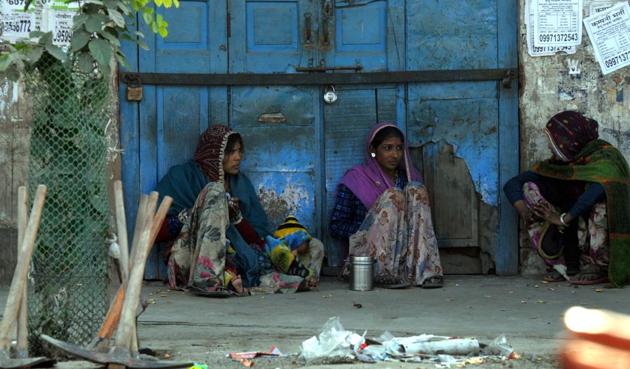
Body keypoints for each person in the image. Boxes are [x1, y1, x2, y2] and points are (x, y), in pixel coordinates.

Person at [155, 124, 324, 295]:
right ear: (213, 154)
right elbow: (155, 234)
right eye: (231, 152)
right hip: (192, 257)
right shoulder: (182, 177)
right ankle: (210, 280)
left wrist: (236, 217)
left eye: (240, 152)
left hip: (242, 256)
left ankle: (244, 281)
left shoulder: (240, 184)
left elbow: (257, 238)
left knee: (315, 246)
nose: (238, 158)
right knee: (215, 191)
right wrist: (195, 213)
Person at [503, 111, 630, 286]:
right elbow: (512, 184)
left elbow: (598, 189)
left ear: (568, 140)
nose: (549, 146)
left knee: (601, 202)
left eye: (552, 141)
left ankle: (598, 266)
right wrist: (526, 213)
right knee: (528, 188)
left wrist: (563, 219)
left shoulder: (606, 157)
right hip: (570, 225)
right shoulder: (559, 164)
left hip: (588, 222)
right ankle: (562, 265)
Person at [328, 122, 444, 288]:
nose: (394, 154)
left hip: (406, 251)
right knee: (393, 195)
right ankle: (383, 273)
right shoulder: (356, 179)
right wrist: (373, 228)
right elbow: (336, 226)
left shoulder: (409, 178)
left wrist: (401, 231)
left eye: (398, 148)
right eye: (387, 148)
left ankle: (423, 271)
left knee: (416, 189)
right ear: (373, 150)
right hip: (369, 255)